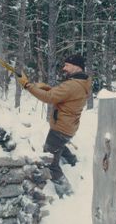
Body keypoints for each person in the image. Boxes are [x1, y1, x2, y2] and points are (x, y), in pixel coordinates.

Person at [17, 54, 92, 198]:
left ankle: (67, 193)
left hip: (61, 129)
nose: (64, 68)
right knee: (60, 147)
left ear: (76, 66)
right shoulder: (83, 81)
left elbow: (49, 98)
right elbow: (65, 95)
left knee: (50, 160)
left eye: (67, 65)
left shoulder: (72, 84)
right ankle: (75, 164)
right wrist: (49, 88)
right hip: (69, 127)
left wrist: (27, 85)